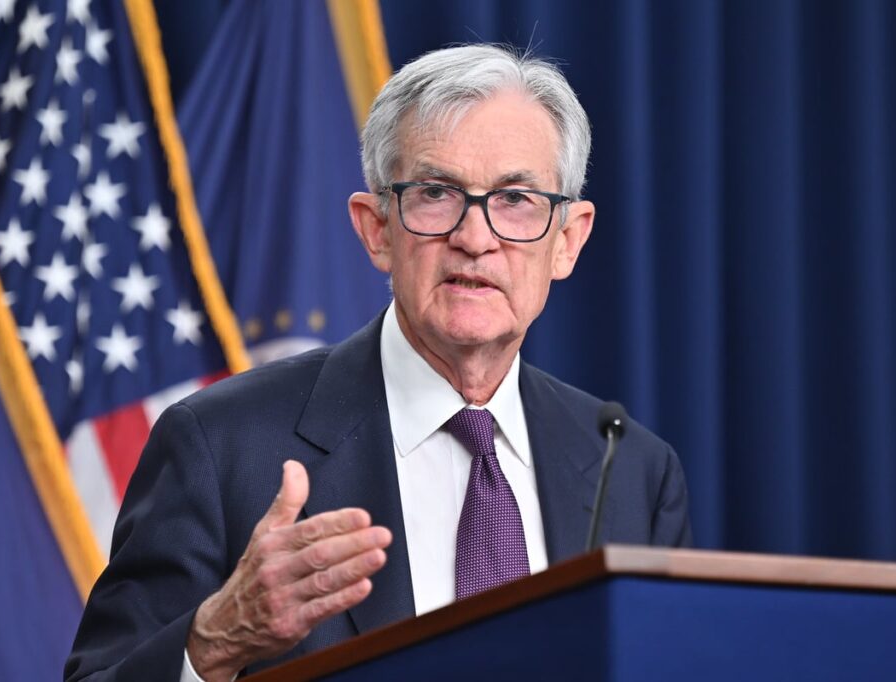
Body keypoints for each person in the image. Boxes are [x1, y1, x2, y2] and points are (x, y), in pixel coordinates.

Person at [65, 44, 692, 682]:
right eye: (436, 194)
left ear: (568, 240)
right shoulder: (221, 446)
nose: (475, 239)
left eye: (516, 201)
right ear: (375, 228)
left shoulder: (635, 472)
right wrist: (216, 642)